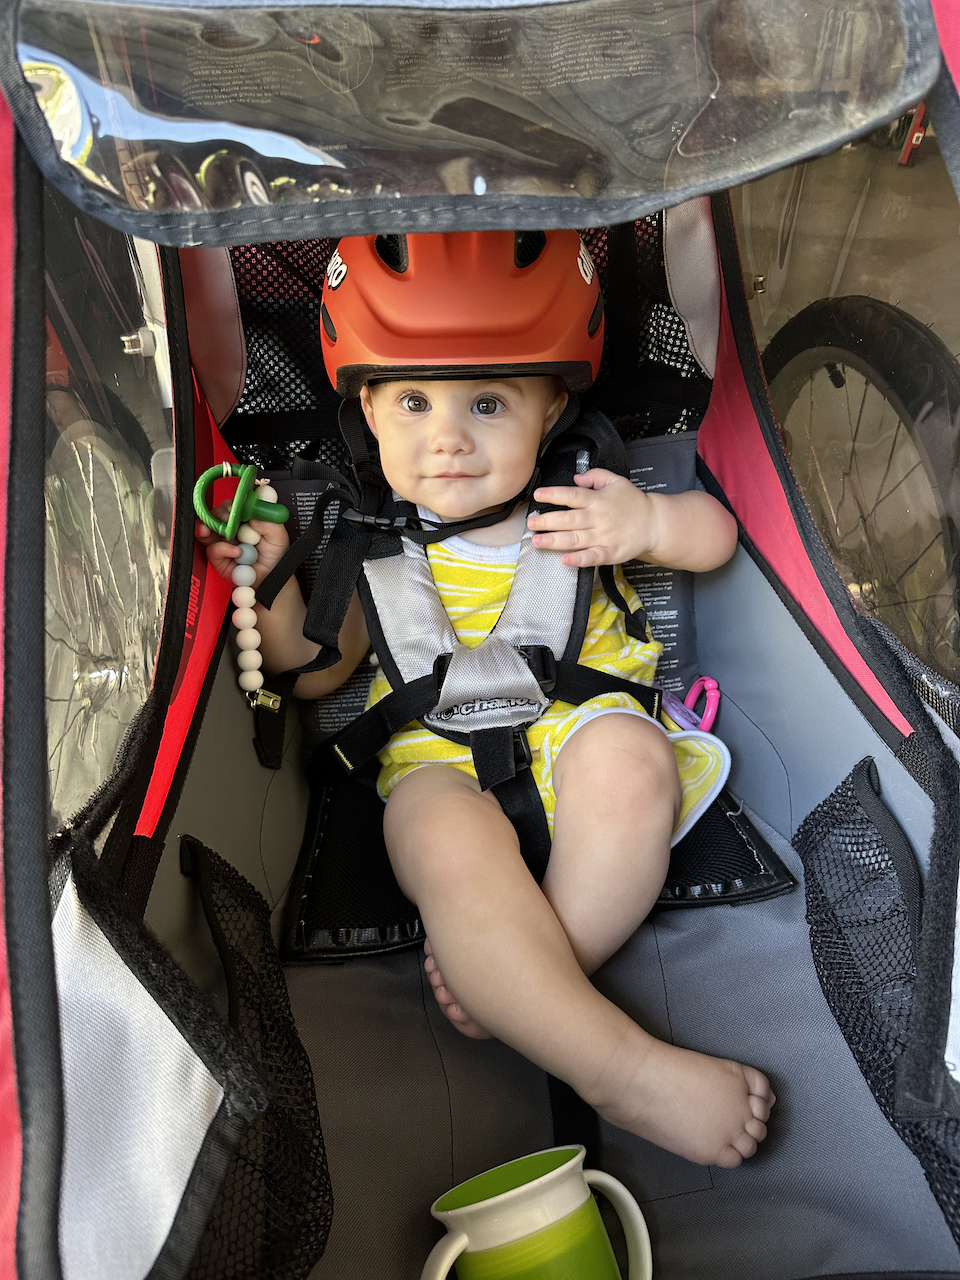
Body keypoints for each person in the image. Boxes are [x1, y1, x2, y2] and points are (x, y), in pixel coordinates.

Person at [197, 230, 775, 1168]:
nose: (450, 437)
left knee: (632, 767)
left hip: (583, 731)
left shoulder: (584, 502)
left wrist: (650, 520)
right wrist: (271, 582)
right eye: (415, 402)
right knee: (438, 838)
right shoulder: (363, 540)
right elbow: (318, 672)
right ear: (369, 414)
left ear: (552, 413)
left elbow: (713, 538)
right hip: (434, 764)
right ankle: (617, 1065)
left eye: (491, 402)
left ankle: (534, 985)